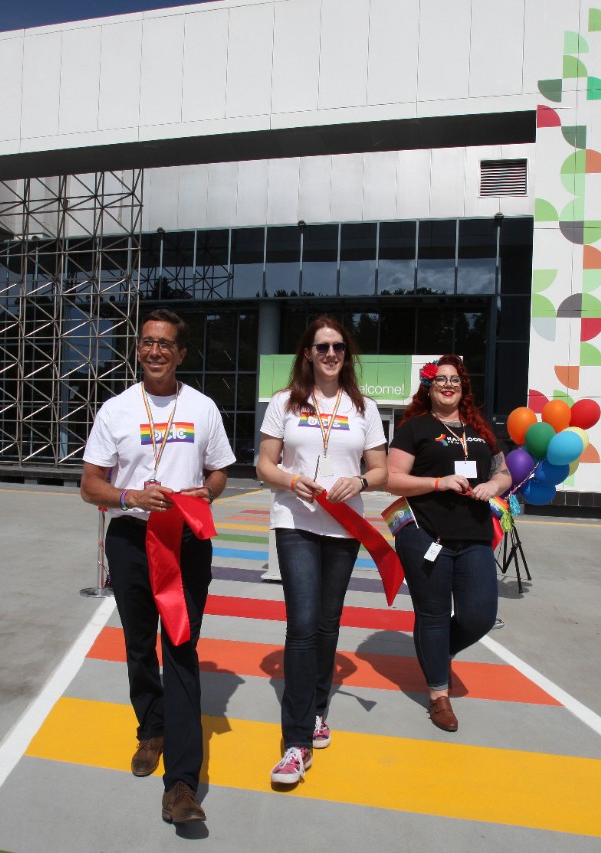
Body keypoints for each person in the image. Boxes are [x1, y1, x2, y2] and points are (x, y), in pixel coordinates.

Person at [79, 308, 235, 824]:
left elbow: (218, 474)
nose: (155, 351)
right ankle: (152, 728)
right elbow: (90, 485)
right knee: (139, 644)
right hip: (130, 538)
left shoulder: (203, 407)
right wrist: (130, 496)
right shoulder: (116, 410)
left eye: (166, 344)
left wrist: (204, 493)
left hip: (186, 542)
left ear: (181, 353)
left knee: (182, 649)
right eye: (147, 342)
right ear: (138, 348)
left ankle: (183, 786)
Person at [256, 316, 388, 786]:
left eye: (337, 346)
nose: (330, 353)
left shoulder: (363, 407)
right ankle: (295, 743)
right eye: (321, 347)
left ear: (345, 354)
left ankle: (317, 708)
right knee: (303, 623)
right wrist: (292, 480)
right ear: (307, 354)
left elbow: (381, 470)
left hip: (344, 527)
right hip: (295, 521)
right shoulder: (284, 404)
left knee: (328, 623)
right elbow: (263, 464)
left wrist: (362, 480)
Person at [386, 355, 510, 732]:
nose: (448, 385)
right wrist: (437, 483)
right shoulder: (415, 428)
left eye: (454, 379)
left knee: (480, 615)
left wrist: (494, 485)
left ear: (463, 386)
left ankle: (438, 652)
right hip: (426, 534)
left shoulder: (480, 429)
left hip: (474, 536)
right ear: (430, 385)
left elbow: (503, 471)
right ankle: (439, 695)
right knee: (433, 615)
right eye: (440, 379)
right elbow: (392, 479)